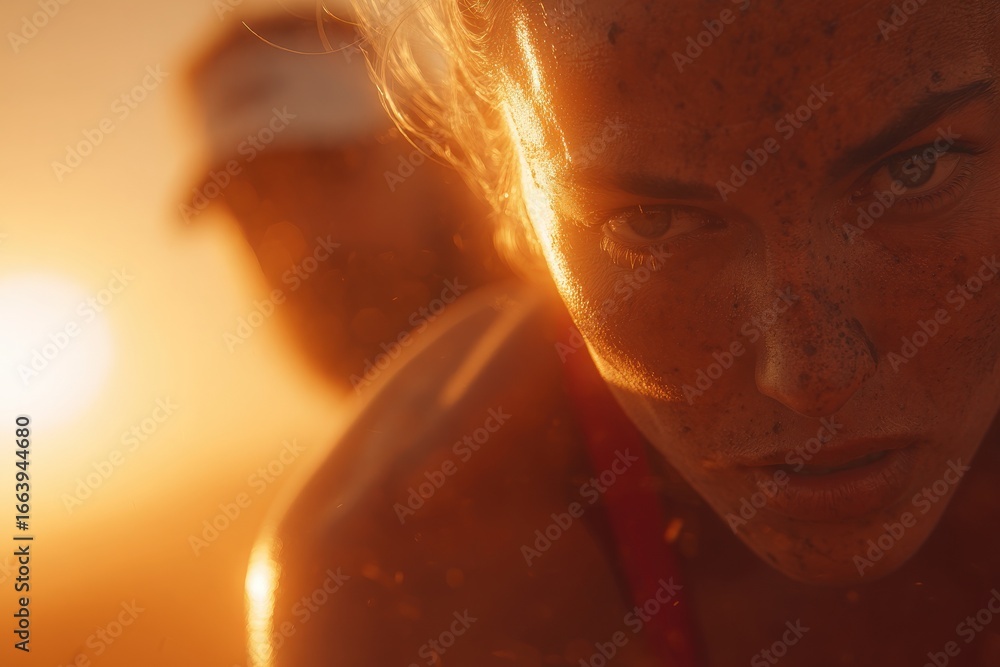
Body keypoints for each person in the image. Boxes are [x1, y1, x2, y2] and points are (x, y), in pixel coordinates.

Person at [245, 1, 1000, 665]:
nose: (810, 372)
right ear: (508, 190)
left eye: (917, 169)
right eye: (652, 223)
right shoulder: (399, 580)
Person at [182, 10, 505, 393]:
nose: (301, 240)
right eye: (248, 203)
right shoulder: (404, 443)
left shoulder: (588, 374)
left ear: (442, 145)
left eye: (329, 169)